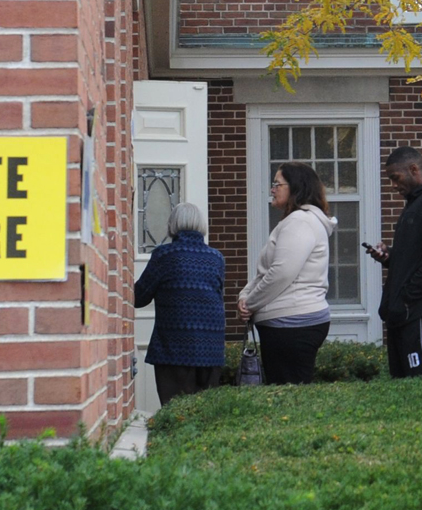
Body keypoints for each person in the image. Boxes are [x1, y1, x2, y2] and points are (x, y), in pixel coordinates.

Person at [238, 163, 335, 384]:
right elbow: (268, 272)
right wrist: (245, 297)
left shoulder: (300, 222)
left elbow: (281, 273)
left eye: (277, 184)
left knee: (289, 398)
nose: (272, 189)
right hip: (292, 322)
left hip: (293, 324)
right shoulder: (296, 222)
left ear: (296, 188)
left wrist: (250, 304)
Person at [368, 146, 422, 380]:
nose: (393, 185)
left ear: (414, 168)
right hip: (404, 314)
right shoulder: (415, 203)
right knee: (406, 386)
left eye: (395, 178)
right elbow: (417, 256)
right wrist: (391, 257)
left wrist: (407, 296)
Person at [133, 202, 226, 407]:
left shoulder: (164, 255)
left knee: (176, 413)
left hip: (174, 349)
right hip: (211, 350)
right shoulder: (217, 258)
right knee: (206, 416)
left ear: (172, 224)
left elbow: (139, 297)